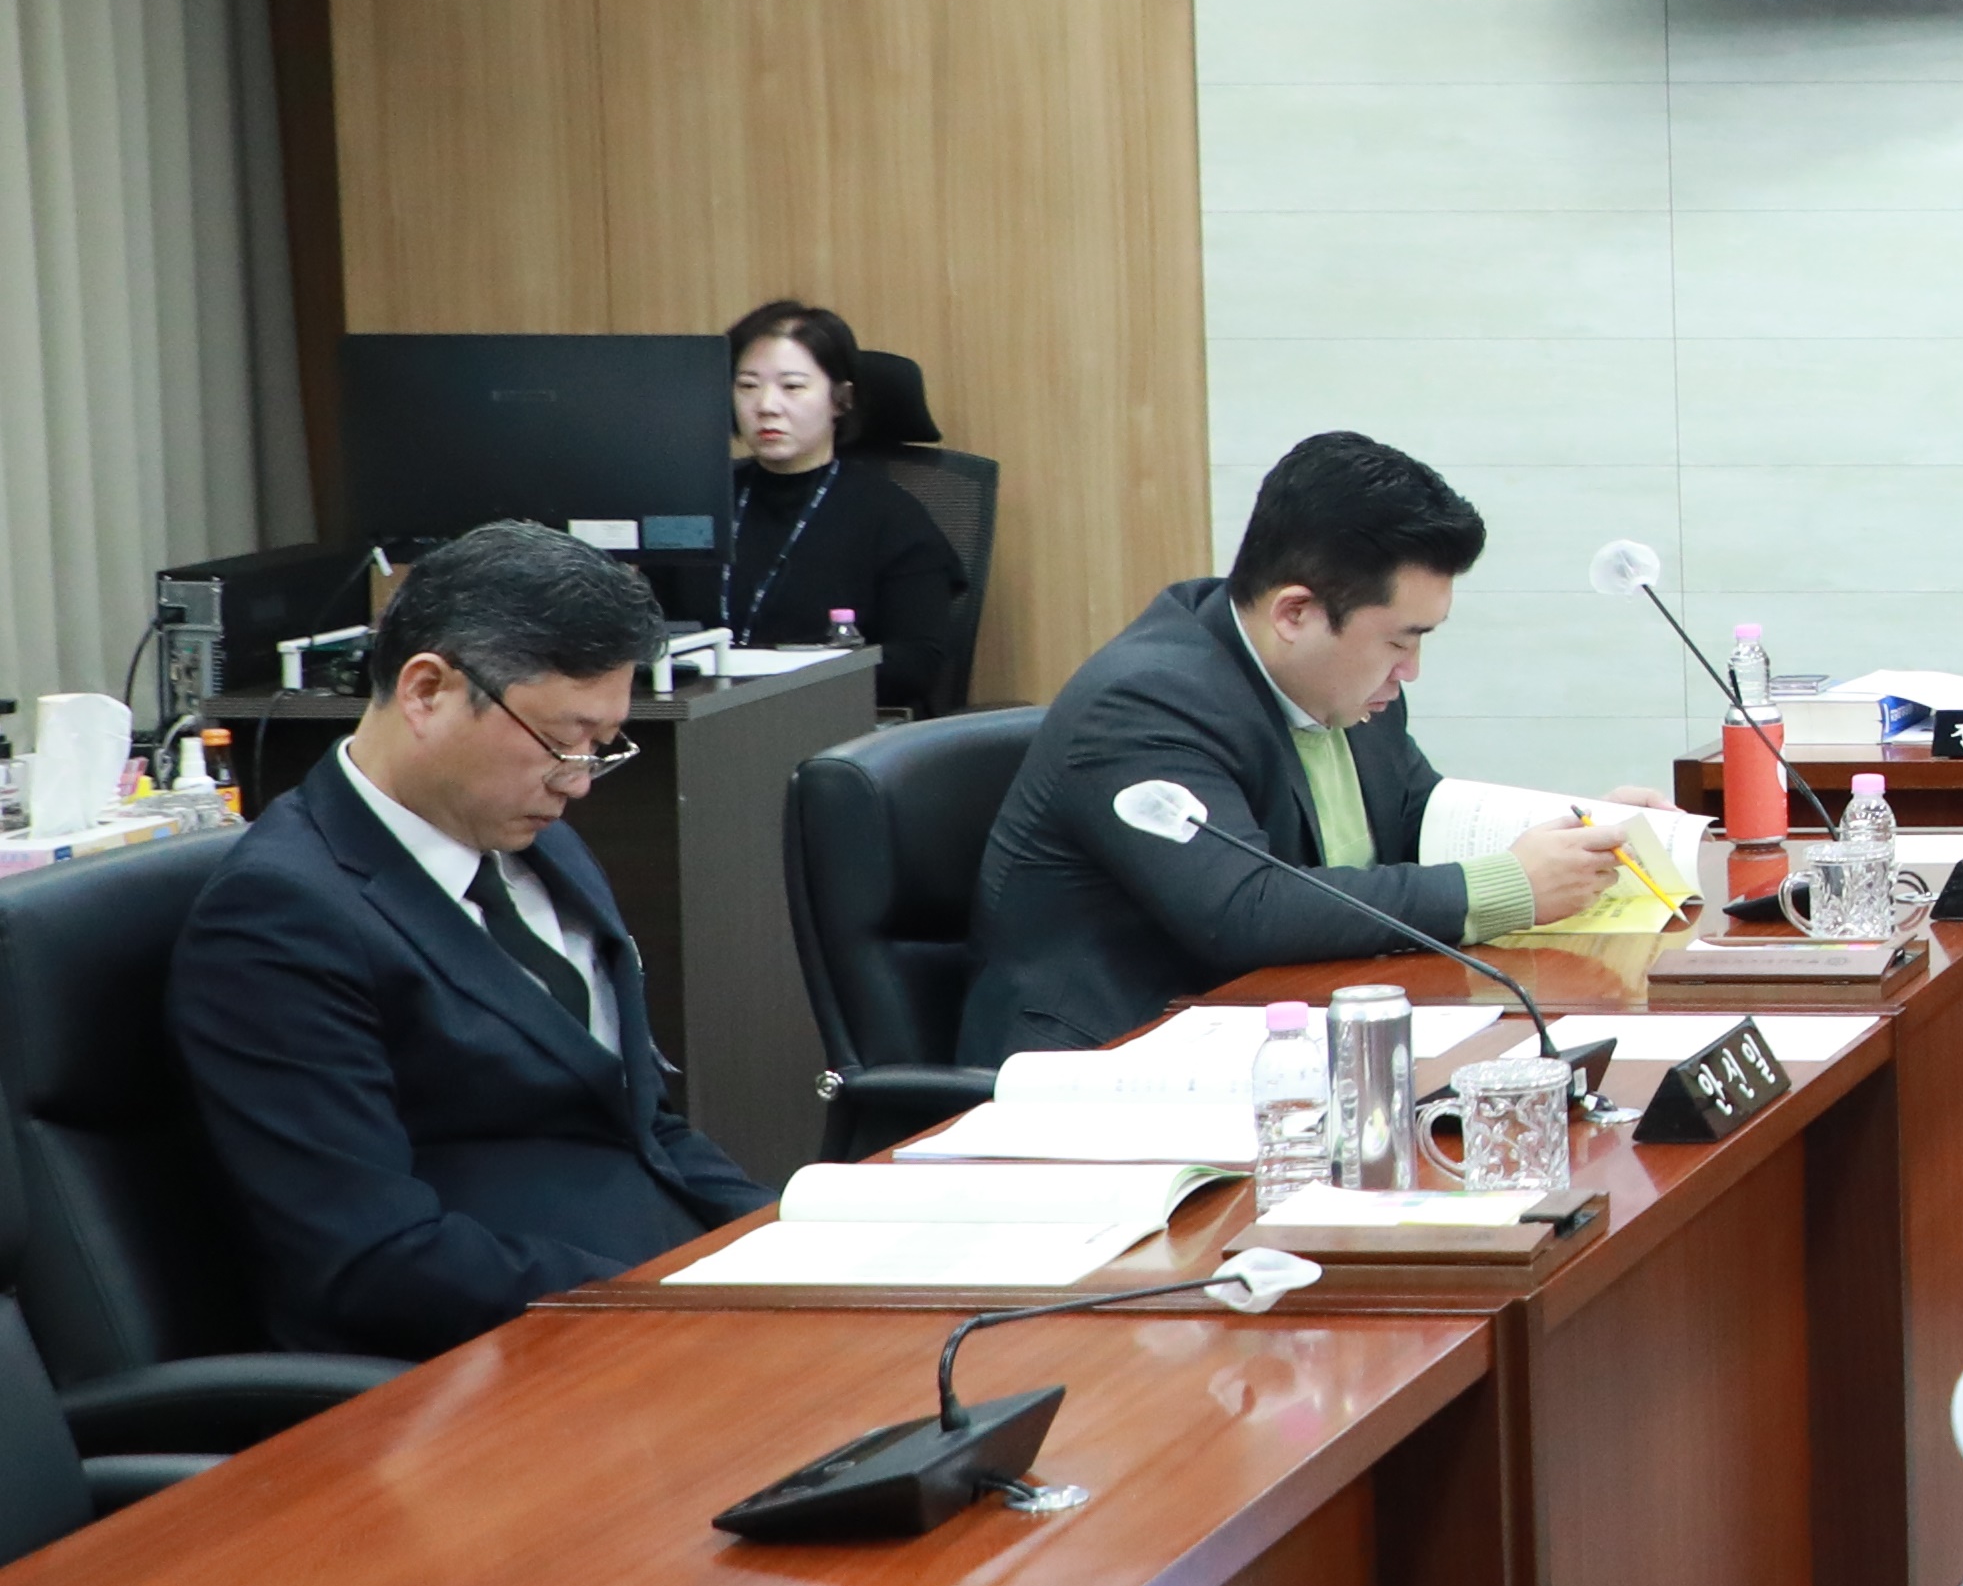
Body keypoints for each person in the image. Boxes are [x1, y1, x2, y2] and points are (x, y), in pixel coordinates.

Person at [168, 524, 772, 1354]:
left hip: (654, 1303)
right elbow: (372, 1258)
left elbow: (644, 1123)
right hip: (500, 1356)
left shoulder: (540, 844)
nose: (580, 781)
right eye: (562, 742)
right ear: (427, 692)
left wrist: (790, 1244)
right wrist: (663, 1305)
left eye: (601, 748)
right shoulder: (281, 918)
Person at [962, 431, 1621, 1059]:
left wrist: (1582, 832)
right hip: (1113, 1065)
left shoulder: (1350, 685)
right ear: (1294, 614)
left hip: (1292, 1033)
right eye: (1399, 640)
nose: (1411, 669)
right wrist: (1508, 886)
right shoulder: (1142, 702)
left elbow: (1420, 817)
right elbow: (1243, 910)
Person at [713, 298, 970, 715]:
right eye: (747, 386)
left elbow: (917, 662)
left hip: (837, 726)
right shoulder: (702, 504)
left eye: (792, 386)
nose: (766, 405)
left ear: (841, 399)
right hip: (699, 724)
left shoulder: (893, 517)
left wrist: (791, 674)